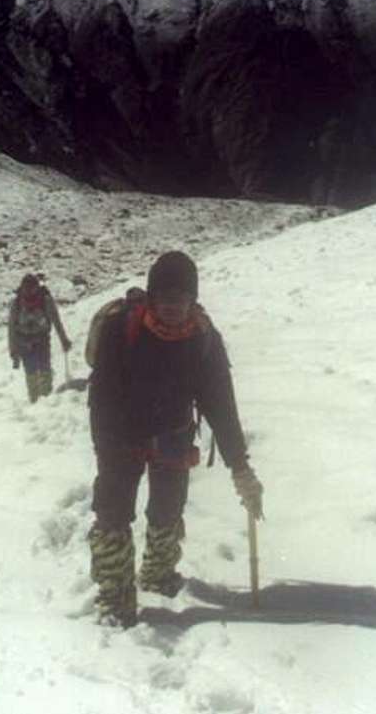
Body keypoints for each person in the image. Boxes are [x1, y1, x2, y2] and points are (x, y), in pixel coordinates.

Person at [85, 251, 263, 627]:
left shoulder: (203, 338)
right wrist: (106, 448)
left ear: (192, 300)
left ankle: (158, 574)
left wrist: (240, 466)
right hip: (122, 433)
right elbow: (100, 396)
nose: (172, 308)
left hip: (173, 432)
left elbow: (220, 404)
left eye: (180, 299)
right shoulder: (122, 329)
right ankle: (115, 599)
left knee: (168, 510)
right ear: (151, 298)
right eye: (164, 298)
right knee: (113, 515)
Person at [8, 273, 72, 403]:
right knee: (35, 372)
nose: (29, 291)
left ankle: (42, 402)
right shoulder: (19, 303)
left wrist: (64, 339)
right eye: (28, 288)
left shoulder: (44, 300)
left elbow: (56, 320)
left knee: (41, 371)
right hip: (28, 342)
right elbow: (11, 328)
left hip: (36, 340)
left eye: (31, 288)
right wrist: (13, 351)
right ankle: (39, 402)